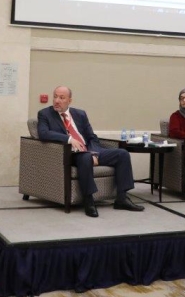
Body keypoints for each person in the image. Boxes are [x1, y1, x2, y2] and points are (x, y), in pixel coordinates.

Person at [37, 86, 144, 218]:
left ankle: (122, 198)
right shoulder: (45, 114)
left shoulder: (80, 114)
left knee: (122, 154)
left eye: (62, 98)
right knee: (85, 158)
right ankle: (88, 200)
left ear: (69, 100)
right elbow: (43, 133)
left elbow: (92, 137)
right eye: (55, 97)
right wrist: (69, 139)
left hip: (90, 150)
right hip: (71, 154)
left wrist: (94, 153)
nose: (57, 100)